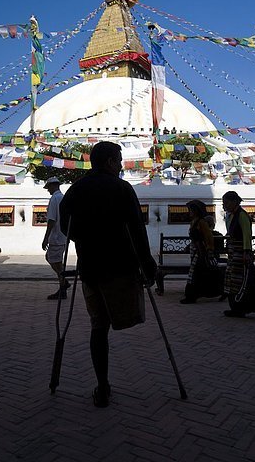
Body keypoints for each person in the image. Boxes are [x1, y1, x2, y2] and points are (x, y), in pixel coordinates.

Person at [59, 141, 157, 408]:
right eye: (120, 160)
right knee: (123, 316)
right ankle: (104, 384)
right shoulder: (122, 188)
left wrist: (85, 237)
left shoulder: (76, 190)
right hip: (121, 267)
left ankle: (102, 385)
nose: (122, 165)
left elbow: (67, 226)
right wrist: (147, 264)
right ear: (111, 161)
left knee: (98, 326)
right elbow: (137, 228)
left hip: (90, 267)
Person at [222, 191, 255, 317]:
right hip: (234, 252)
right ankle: (236, 307)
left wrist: (246, 252)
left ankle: (242, 307)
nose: (224, 205)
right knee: (234, 280)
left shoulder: (241, 215)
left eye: (226, 202)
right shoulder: (231, 215)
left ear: (234, 202)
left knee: (241, 280)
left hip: (240, 252)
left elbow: (246, 235)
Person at [180, 201, 223, 304]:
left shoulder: (201, 223)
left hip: (200, 252)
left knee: (195, 273)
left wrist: (208, 250)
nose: (189, 212)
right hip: (195, 251)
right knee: (197, 274)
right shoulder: (194, 221)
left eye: (191, 210)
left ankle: (191, 296)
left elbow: (208, 237)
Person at [42, 176, 69, 300]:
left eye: (48, 187)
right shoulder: (63, 198)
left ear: (53, 186)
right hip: (63, 235)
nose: (48, 190)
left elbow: (51, 220)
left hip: (56, 236)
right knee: (55, 260)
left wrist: (46, 238)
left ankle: (63, 282)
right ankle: (63, 282)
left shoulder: (54, 199)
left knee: (54, 261)